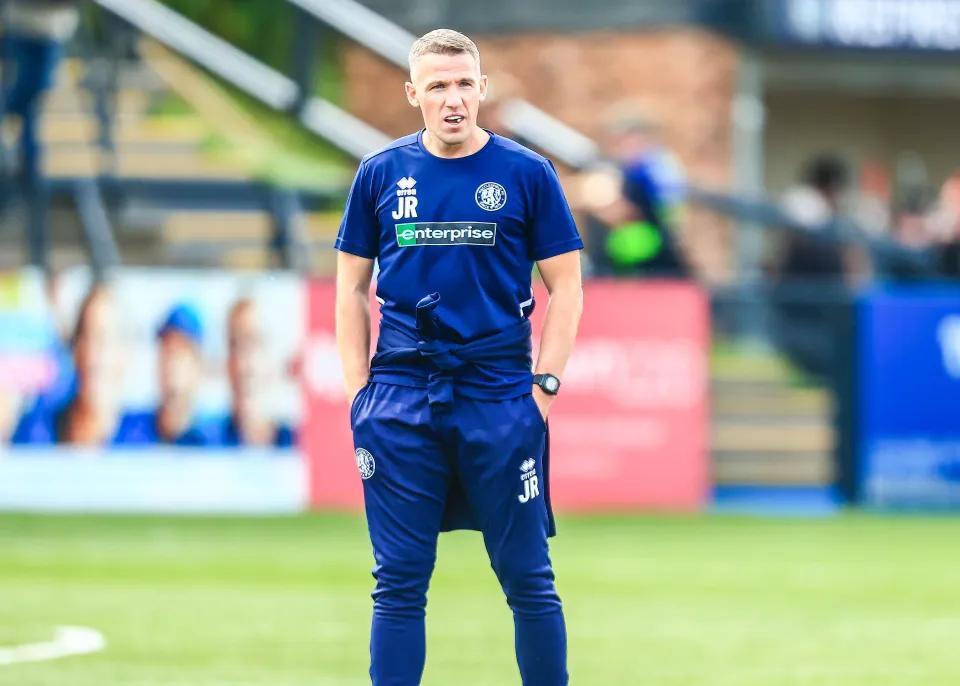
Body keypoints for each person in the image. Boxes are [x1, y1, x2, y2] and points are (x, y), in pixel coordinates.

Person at [334, 29, 583, 686]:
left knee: (528, 578)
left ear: (482, 89)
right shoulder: (380, 173)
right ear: (412, 93)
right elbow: (351, 289)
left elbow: (566, 286)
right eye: (438, 86)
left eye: (465, 84)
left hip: (499, 395)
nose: (453, 99)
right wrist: (359, 393)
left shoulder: (527, 173)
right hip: (400, 396)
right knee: (398, 581)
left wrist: (543, 388)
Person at [11, 283, 135, 445]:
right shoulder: (35, 431)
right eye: (85, 337)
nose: (92, 355)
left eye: (104, 339)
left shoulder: (144, 439)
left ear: (127, 351)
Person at [0, 0, 80, 187]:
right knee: (27, 97)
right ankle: (28, 164)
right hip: (20, 27)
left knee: (33, 95)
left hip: (49, 31)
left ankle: (28, 164)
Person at [119, 303, 217, 446]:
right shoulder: (130, 431)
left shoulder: (215, 440)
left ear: (199, 364)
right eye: (166, 350)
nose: (171, 362)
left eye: (180, 352)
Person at [219, 298, 295, 447]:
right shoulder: (204, 443)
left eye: (253, 343)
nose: (242, 365)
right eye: (234, 345)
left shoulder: (296, 442)